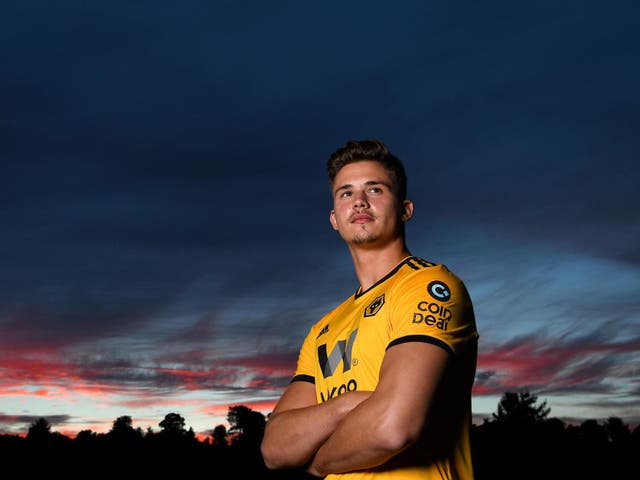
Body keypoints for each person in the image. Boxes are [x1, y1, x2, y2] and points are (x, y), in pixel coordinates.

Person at [261, 139, 479, 479]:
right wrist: (345, 406)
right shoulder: (324, 328)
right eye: (346, 193)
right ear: (334, 218)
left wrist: (318, 463)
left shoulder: (428, 286)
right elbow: (275, 448)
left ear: (405, 209)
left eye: (375, 189)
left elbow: (392, 427)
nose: (359, 201)